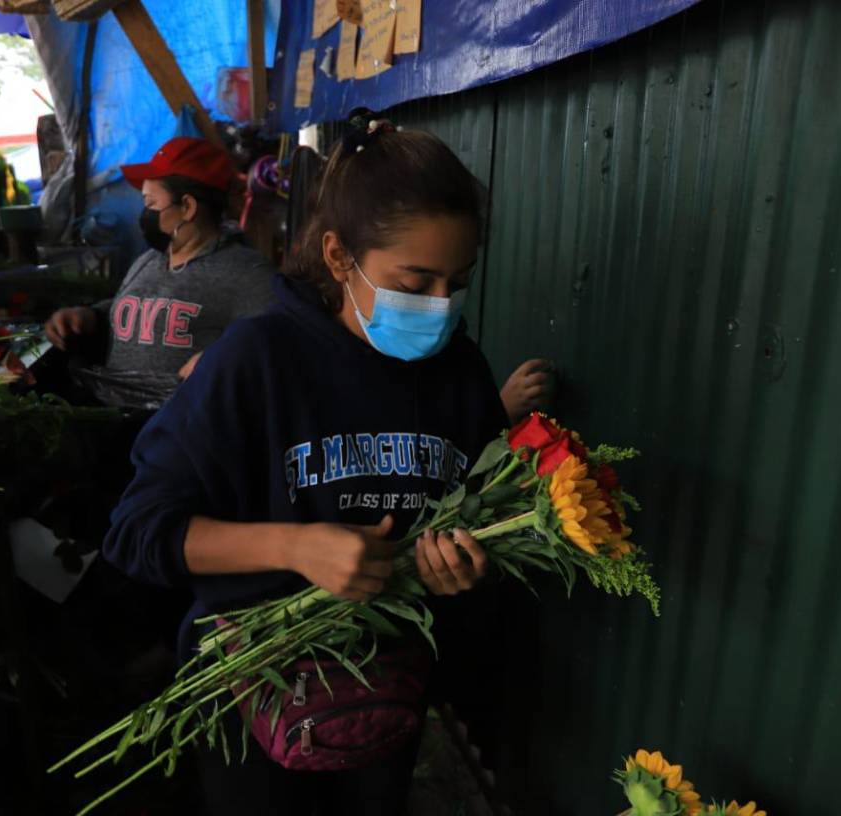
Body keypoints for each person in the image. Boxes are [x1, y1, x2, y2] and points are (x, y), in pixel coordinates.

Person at [105, 119, 512, 815]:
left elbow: (491, 516)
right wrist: (296, 546)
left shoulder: (462, 376)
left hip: (387, 694)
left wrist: (464, 567)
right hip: (248, 696)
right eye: (415, 282)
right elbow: (137, 533)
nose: (440, 307)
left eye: (459, 283)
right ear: (336, 255)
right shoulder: (257, 360)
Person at [43, 137, 275, 409]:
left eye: (150, 204)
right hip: (119, 421)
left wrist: (223, 356)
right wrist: (91, 316)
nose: (144, 214)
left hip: (182, 434)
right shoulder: (149, 260)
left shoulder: (245, 272)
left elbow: (280, 339)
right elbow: (137, 313)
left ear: (187, 207)